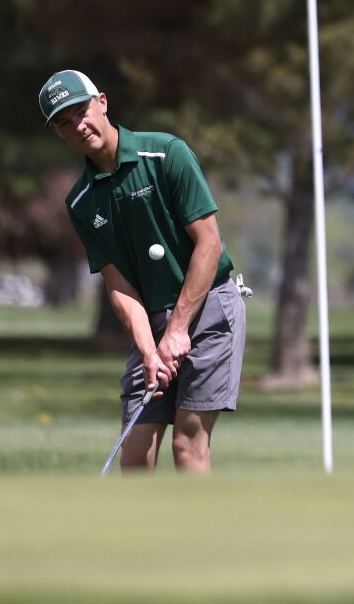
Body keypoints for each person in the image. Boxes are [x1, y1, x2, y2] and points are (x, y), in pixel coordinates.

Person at [39, 69, 247, 474]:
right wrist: (151, 351)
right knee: (136, 453)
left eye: (80, 111)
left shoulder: (166, 153)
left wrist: (179, 328)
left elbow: (210, 245)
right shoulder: (81, 201)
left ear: (102, 102)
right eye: (63, 123)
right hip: (150, 322)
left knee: (188, 443)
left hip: (209, 308)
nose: (77, 126)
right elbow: (118, 286)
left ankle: (198, 536)